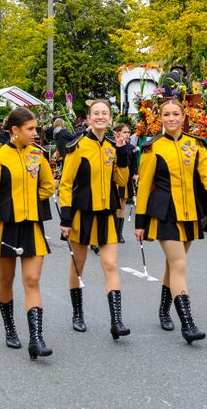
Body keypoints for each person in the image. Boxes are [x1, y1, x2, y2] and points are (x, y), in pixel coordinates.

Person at [134, 98, 207, 344]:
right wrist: (140, 222)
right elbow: (143, 187)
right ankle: (188, 325)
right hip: (165, 213)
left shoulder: (196, 145)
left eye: (175, 114)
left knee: (173, 265)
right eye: (166, 114)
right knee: (178, 264)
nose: (171, 118)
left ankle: (164, 310)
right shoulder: (152, 147)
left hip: (191, 213)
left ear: (184, 117)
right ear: (161, 118)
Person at [0, 107, 54, 360]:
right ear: (15, 130)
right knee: (6, 280)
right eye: (30, 129)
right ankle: (10, 328)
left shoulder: (38, 155)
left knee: (32, 281)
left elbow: (48, 185)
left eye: (36, 128)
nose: (35, 133)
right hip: (5, 226)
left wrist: (30, 201)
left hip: (32, 225)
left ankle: (36, 338)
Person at [59, 101, 131, 339]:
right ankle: (78, 313)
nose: (100, 117)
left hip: (106, 213)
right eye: (96, 113)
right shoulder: (77, 146)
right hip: (82, 213)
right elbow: (66, 185)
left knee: (110, 265)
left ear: (110, 119)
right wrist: (66, 219)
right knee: (78, 266)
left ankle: (117, 320)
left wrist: (122, 154)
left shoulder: (113, 146)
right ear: (88, 119)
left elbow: (121, 182)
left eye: (105, 113)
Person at [113, 123, 138, 242]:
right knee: (112, 205)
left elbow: (134, 164)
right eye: (124, 132)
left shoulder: (132, 148)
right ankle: (108, 231)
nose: (127, 134)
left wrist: (135, 174)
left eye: (128, 132)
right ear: (117, 133)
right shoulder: (112, 146)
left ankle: (119, 233)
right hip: (114, 178)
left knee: (121, 205)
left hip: (126, 178)